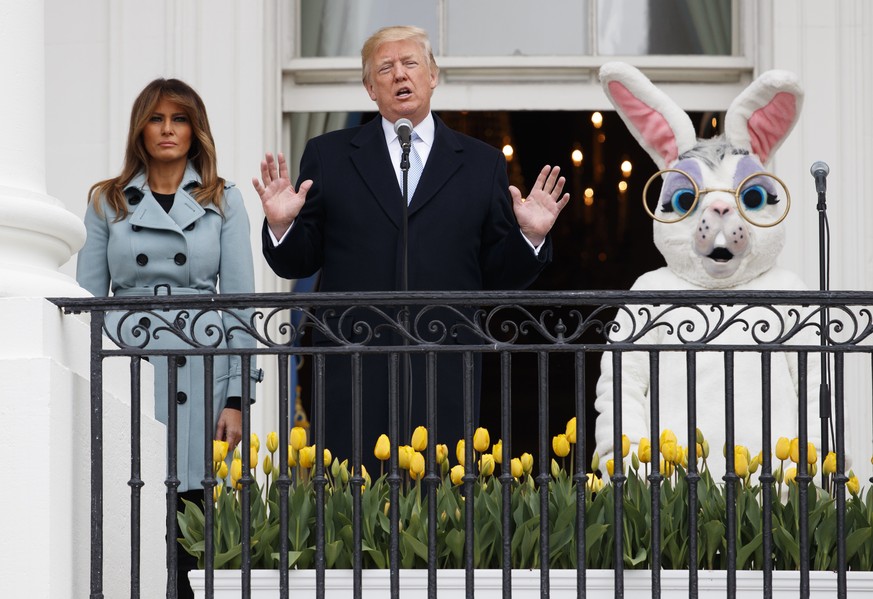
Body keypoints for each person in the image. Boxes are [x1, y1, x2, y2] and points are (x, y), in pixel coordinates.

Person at [254, 25, 570, 469]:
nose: (399, 75)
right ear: (370, 87)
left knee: (439, 511)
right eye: (385, 68)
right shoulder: (329, 155)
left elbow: (498, 273)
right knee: (352, 509)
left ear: (433, 75)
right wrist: (281, 225)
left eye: (410, 64)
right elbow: (299, 260)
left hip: (445, 362)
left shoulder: (481, 163)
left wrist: (531, 237)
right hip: (353, 362)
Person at [76, 78, 260, 599]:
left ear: (195, 128)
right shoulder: (106, 202)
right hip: (128, 371)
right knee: (127, 512)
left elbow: (241, 307)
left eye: (178, 119)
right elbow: (88, 303)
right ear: (140, 128)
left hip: (198, 375)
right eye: (156, 119)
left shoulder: (222, 201)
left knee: (192, 524)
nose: (167, 130)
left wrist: (237, 399)